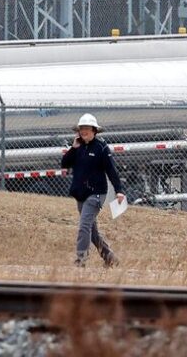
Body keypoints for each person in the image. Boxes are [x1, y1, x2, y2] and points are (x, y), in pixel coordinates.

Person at [60, 113, 125, 267]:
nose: (84, 132)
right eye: (81, 129)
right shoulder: (78, 147)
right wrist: (73, 148)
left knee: (84, 226)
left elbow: (111, 170)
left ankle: (81, 260)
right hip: (80, 195)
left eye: (87, 129)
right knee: (92, 231)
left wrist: (119, 190)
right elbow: (64, 164)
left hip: (96, 194)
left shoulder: (101, 148)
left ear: (94, 130)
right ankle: (109, 257)